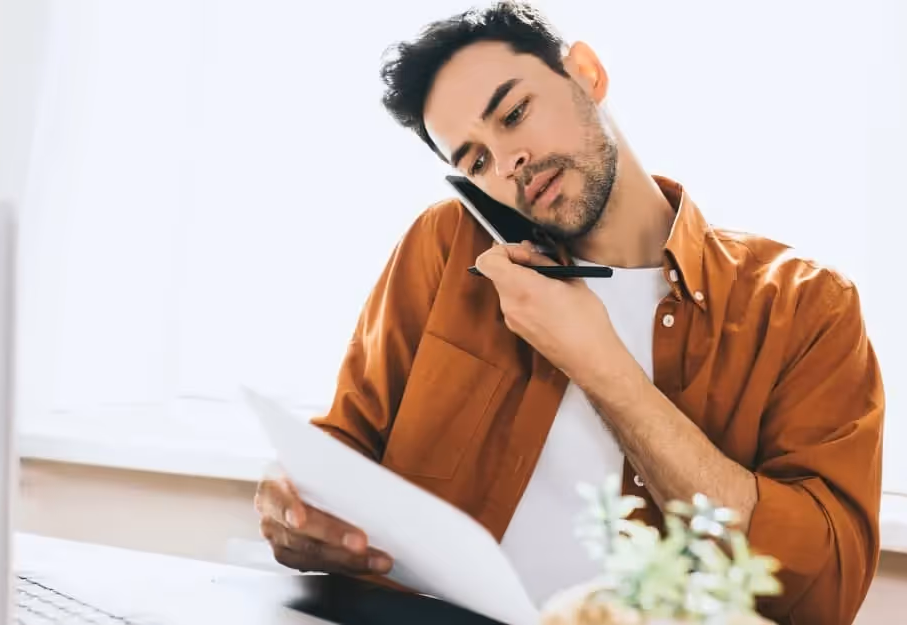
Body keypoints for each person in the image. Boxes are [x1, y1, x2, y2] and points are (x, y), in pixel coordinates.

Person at [254, 2, 884, 623]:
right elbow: (348, 442)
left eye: (514, 113)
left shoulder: (805, 305)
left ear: (586, 72)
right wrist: (295, 500)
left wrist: (602, 365)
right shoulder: (448, 247)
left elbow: (823, 593)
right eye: (474, 161)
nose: (507, 163)